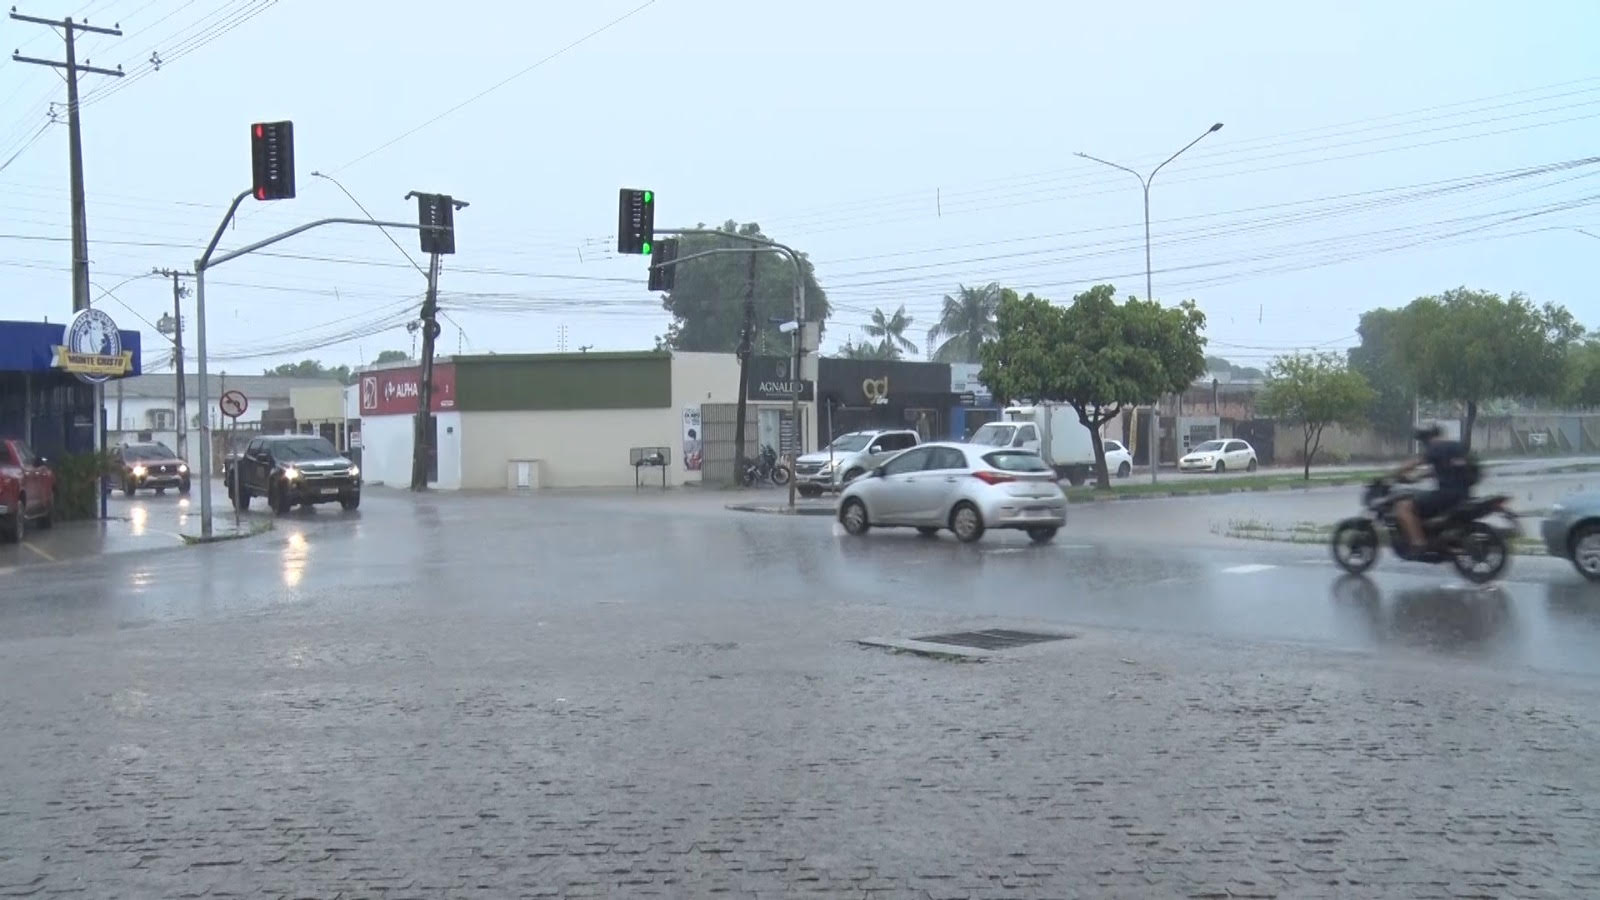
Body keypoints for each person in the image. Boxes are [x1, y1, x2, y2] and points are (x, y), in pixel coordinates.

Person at [1391, 424, 1475, 556]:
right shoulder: (1457, 446)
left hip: (1446, 495)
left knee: (1403, 506)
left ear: (1426, 438)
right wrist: (1416, 477)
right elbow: (1443, 470)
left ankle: (1418, 543)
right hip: (1464, 494)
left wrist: (1395, 473)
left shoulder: (1435, 447)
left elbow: (1415, 463)